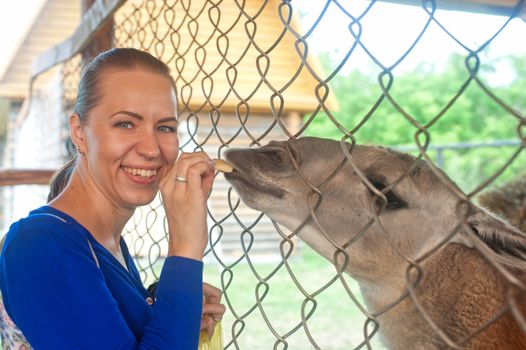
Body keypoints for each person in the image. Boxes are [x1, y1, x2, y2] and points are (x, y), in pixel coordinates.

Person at [0, 47, 225, 349]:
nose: (151, 148)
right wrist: (185, 247)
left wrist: (176, 307)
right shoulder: (38, 245)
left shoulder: (107, 243)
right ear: (80, 132)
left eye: (165, 128)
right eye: (125, 124)